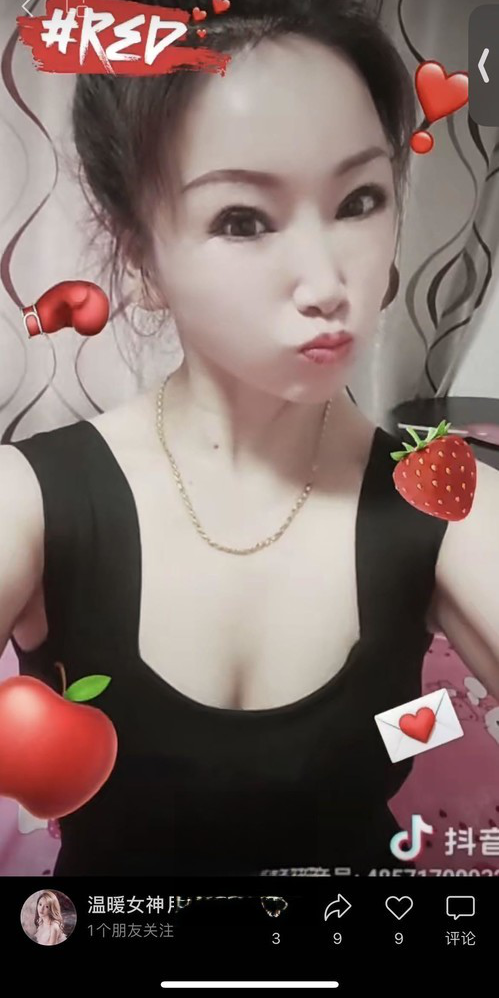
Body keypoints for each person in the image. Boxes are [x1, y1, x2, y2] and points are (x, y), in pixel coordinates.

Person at [2, 0, 498, 876]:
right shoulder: (31, 500)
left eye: (359, 200)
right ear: (141, 257)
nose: (327, 283)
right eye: (242, 219)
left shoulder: (445, 498)